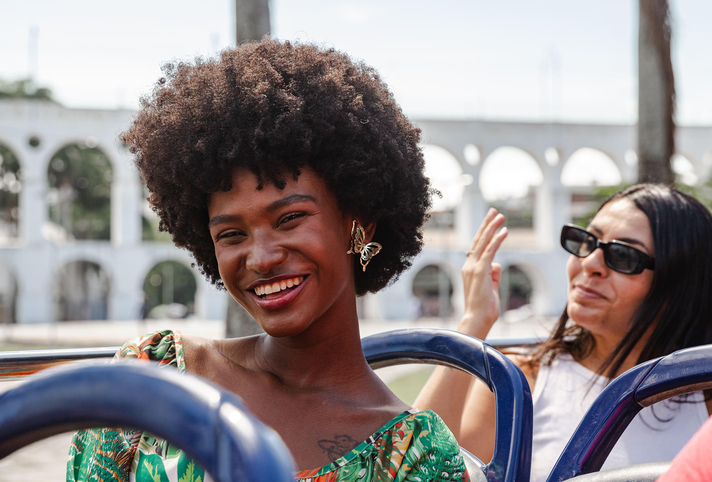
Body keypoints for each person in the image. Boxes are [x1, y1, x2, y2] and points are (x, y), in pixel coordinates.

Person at [67, 38, 469, 482]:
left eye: (290, 218)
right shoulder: (154, 373)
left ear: (360, 224)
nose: (261, 257)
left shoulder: (414, 454)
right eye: (231, 234)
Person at [415, 184, 712, 482]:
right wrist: (474, 321)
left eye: (623, 255)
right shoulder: (519, 384)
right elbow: (415, 467)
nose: (590, 263)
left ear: (681, 284)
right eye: (586, 241)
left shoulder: (703, 398)